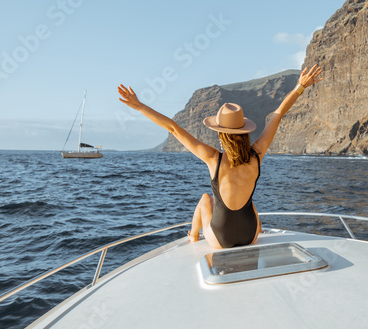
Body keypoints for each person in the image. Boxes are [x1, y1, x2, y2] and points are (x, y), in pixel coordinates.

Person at [117, 64, 324, 249]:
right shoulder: (257, 154)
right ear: (244, 131)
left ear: (221, 134)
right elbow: (278, 114)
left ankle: (192, 237)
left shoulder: (213, 158)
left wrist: (139, 106)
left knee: (205, 199)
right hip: (250, 236)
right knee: (249, 203)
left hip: (220, 240)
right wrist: (300, 87)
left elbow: (174, 129)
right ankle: (253, 230)